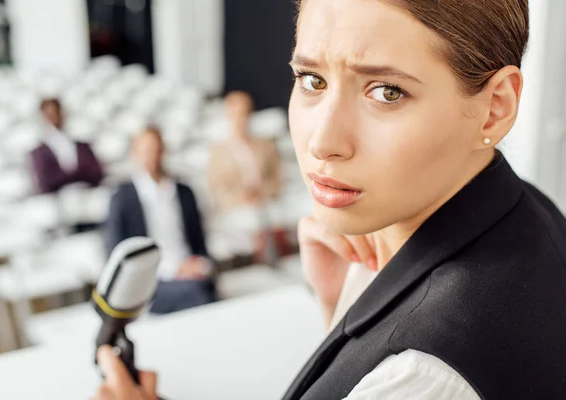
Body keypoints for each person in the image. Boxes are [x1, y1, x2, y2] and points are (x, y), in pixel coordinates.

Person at [93, 1, 566, 399]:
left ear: (495, 107)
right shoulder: (529, 208)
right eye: (312, 80)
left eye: (387, 91)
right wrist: (346, 308)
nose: (322, 142)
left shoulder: (421, 374)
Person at [105, 127, 216, 315]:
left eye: (156, 149)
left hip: (192, 272)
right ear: (135, 154)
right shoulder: (122, 198)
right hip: (152, 281)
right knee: (196, 294)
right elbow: (118, 253)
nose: (152, 156)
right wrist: (175, 270)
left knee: (201, 288)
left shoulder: (184, 192)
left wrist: (200, 264)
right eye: (146, 151)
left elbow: (199, 242)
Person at [208, 91, 285, 262]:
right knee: (252, 223)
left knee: (269, 219)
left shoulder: (266, 145)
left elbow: (277, 178)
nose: (239, 119)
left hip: (267, 202)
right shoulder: (218, 152)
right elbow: (217, 188)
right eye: (234, 114)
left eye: (244, 113)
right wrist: (242, 198)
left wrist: (262, 193)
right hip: (237, 207)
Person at [30, 98, 104, 194]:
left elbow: (96, 173)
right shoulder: (39, 153)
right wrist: (78, 175)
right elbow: (45, 183)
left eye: (57, 113)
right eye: (49, 115)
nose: (54, 118)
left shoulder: (82, 146)